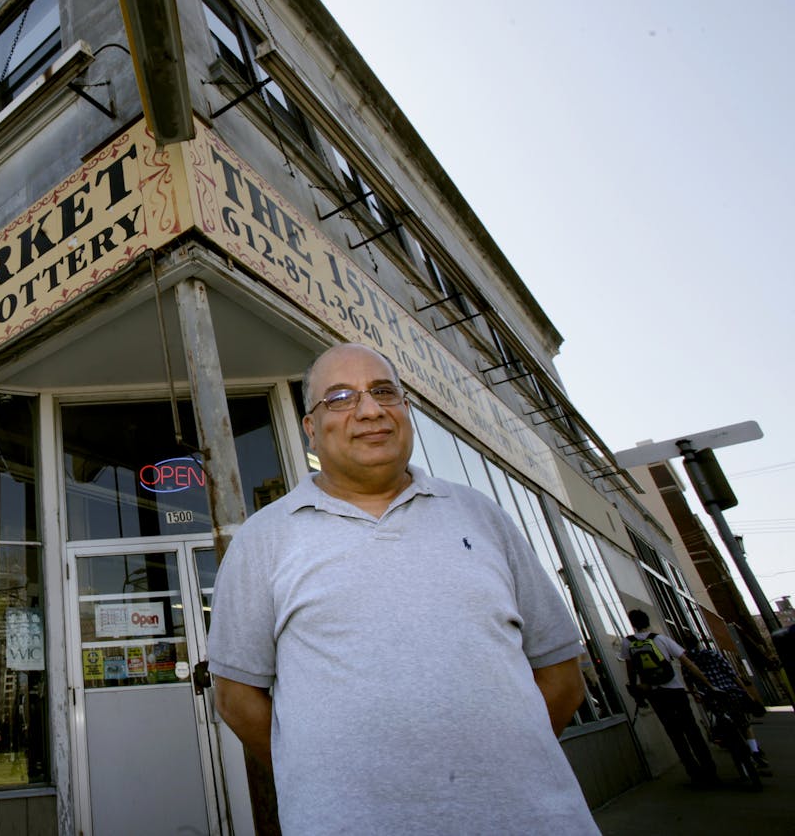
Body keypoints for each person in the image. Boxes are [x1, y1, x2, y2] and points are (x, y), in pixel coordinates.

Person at [208, 343, 597, 833]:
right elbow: (236, 698)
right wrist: (322, 781)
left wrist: (500, 769)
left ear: (405, 410)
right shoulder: (263, 539)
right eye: (342, 397)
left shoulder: (482, 515)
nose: (370, 410)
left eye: (383, 392)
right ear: (310, 427)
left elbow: (562, 675)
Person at [618, 610, 720, 784]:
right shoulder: (661, 639)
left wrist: (636, 690)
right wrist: (709, 685)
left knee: (674, 734)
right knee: (692, 730)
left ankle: (693, 772)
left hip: (654, 693)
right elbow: (687, 663)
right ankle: (709, 770)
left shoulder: (628, 643)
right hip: (675, 690)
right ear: (648, 621)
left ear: (633, 624)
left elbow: (631, 668)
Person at [684, 643, 770, 770]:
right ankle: (754, 750)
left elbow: (688, 680)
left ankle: (742, 765)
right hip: (730, 693)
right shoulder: (713, 654)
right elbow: (732, 674)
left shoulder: (687, 660)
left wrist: (696, 694)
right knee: (744, 724)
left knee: (723, 725)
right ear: (697, 643)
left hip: (711, 697)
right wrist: (746, 693)